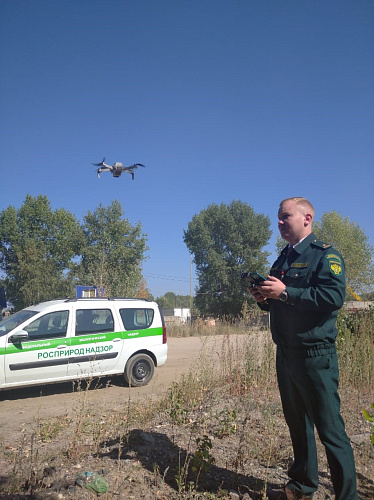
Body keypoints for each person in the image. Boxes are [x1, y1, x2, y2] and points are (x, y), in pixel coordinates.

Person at [249, 197, 357, 500]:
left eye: (286, 217)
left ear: (307, 218)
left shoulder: (325, 256)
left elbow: (333, 297)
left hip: (315, 355)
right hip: (286, 353)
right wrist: (265, 299)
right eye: (279, 218)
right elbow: (282, 303)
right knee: (297, 424)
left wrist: (286, 293)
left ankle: (348, 496)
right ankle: (302, 486)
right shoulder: (281, 260)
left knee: (330, 430)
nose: (280, 223)